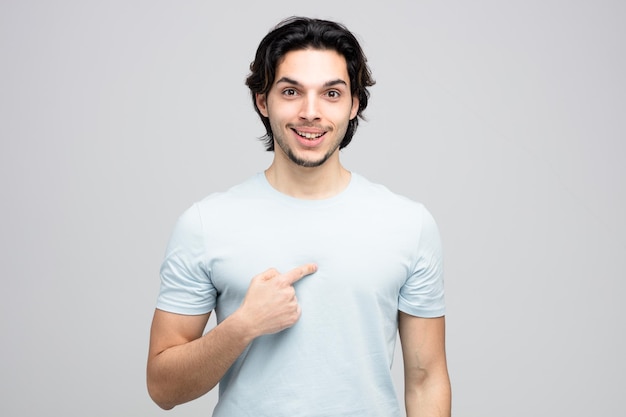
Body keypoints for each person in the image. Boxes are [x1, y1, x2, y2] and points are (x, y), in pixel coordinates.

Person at [147, 16, 451, 417]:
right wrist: (243, 326)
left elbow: (426, 378)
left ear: (354, 103)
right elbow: (163, 389)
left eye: (331, 93)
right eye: (291, 91)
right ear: (262, 100)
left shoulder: (409, 225)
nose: (311, 112)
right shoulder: (206, 224)